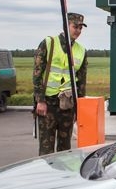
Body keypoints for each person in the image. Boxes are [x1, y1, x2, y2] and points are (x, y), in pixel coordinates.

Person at [33, 12, 88, 155]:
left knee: (65, 149)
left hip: (67, 105)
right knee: (46, 148)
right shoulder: (49, 43)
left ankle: (63, 171)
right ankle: (46, 170)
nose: (78, 31)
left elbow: (81, 82)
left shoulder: (81, 51)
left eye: (80, 28)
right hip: (48, 104)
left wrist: (78, 109)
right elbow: (37, 74)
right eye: (75, 26)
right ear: (66, 26)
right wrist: (40, 101)